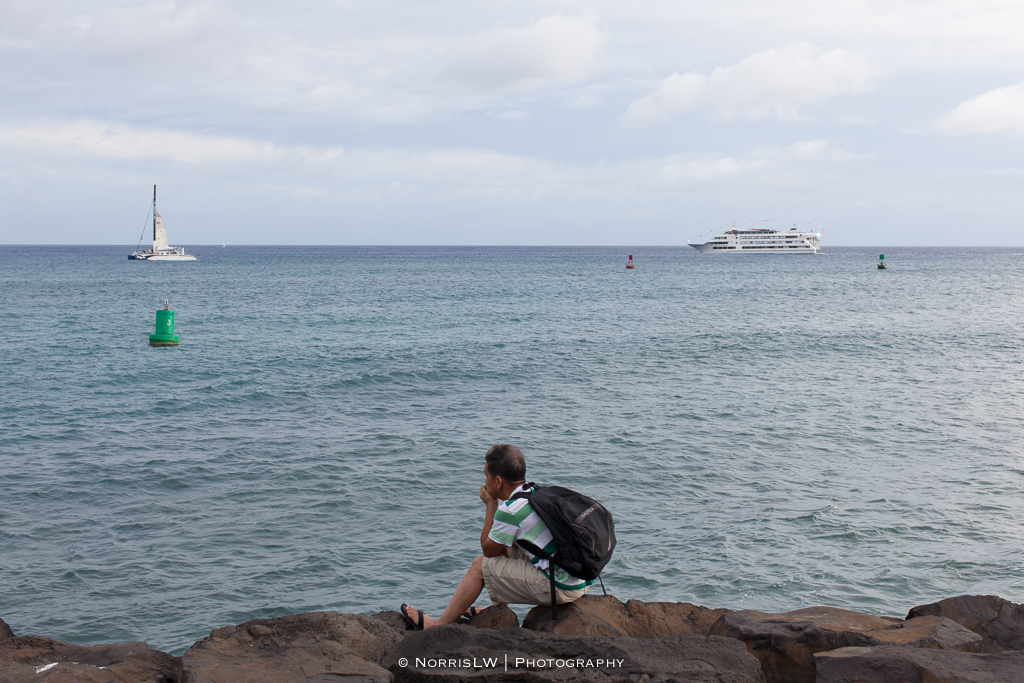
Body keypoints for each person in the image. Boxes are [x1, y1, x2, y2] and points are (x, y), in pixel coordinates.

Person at [401, 443, 591, 629]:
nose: (484, 481)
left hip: (559, 588)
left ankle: (439, 624)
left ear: (498, 481)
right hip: (577, 579)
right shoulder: (535, 492)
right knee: (510, 543)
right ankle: (498, 608)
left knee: (479, 566)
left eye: (486, 476)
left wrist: (491, 506)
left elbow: (488, 551)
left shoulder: (510, 510)